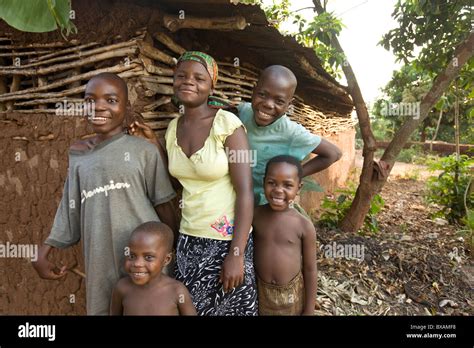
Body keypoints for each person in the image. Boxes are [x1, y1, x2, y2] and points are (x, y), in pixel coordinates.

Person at [32, 73, 178, 315]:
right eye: (91, 100)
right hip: (100, 259)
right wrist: (45, 250)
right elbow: (70, 207)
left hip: (145, 259)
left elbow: (164, 204)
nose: (99, 106)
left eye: (111, 100)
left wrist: (177, 252)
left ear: (126, 107)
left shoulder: (142, 151)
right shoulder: (79, 156)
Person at [165, 51, 257, 315]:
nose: (188, 82)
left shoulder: (227, 125)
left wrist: (237, 254)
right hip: (188, 240)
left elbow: (246, 192)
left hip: (227, 240)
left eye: (198, 78)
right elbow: (175, 180)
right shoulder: (172, 128)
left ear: (211, 85)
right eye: (181, 76)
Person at [236, 65, 342, 207]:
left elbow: (334, 153)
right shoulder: (242, 112)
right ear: (254, 90)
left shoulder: (291, 132)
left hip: (267, 205)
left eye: (279, 101)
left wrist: (295, 175)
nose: (268, 104)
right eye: (262, 94)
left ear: (288, 104)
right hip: (235, 199)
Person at [253, 155, 317, 315]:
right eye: (271, 183)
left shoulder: (303, 225)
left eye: (288, 185)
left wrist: (309, 309)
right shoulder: (255, 215)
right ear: (263, 182)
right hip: (257, 291)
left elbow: (310, 269)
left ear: (299, 188)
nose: (278, 190)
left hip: (291, 296)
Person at [110, 221, 196, 315]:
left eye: (148, 257)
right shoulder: (122, 288)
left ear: (166, 260)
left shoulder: (177, 291)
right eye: (132, 256)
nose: (137, 264)